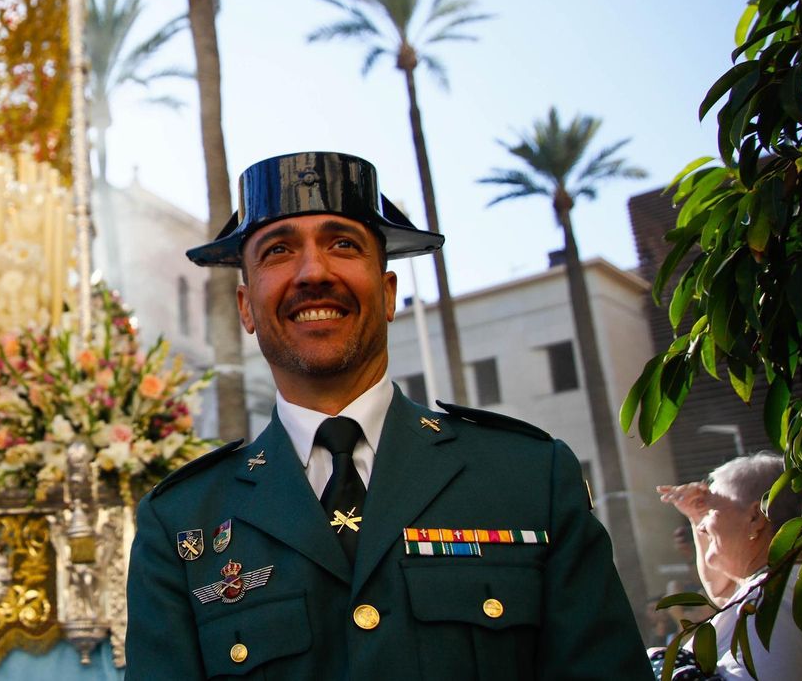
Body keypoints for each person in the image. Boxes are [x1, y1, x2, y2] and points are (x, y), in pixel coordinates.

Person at [124, 151, 645, 678]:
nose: (312, 272)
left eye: (343, 244)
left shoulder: (530, 479)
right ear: (245, 308)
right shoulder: (181, 523)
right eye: (278, 251)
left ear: (390, 292)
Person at [657, 453, 802, 680]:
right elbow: (720, 590)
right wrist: (696, 514)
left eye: (711, 511)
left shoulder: (769, 604)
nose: (702, 527)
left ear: (755, 519)